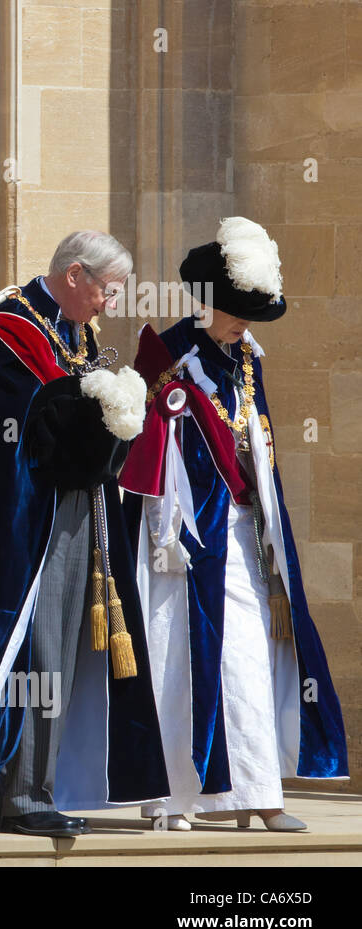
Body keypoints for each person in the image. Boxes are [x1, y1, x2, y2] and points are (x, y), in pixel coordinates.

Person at [0, 230, 170, 836]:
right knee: (37, 647)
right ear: (75, 275)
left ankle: (48, 785)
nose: (110, 303)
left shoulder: (77, 331)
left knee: (68, 647)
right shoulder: (5, 327)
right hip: (24, 518)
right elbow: (9, 427)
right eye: (106, 289)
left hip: (80, 506)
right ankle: (22, 797)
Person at [121, 217, 349, 831]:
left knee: (247, 655)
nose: (244, 323)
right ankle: (174, 797)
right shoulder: (167, 352)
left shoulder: (246, 357)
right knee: (181, 659)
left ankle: (258, 794)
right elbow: (151, 449)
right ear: (208, 303)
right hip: (184, 533)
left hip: (244, 525)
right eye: (236, 312)